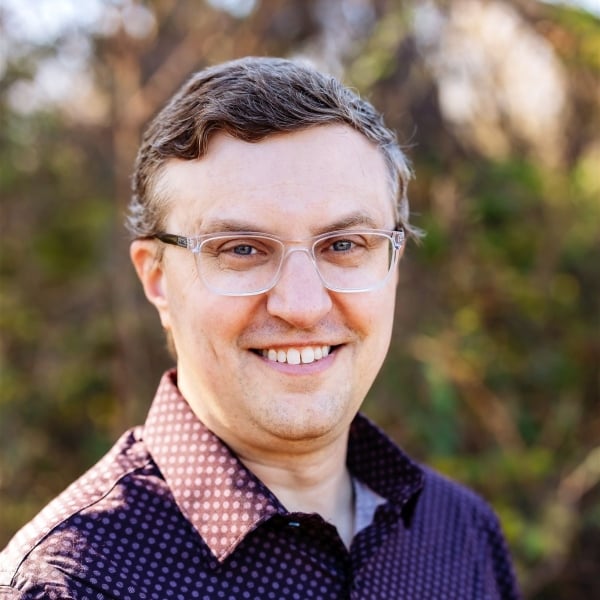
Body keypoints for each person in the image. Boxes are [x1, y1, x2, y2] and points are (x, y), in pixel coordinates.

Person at [0, 56, 520, 599]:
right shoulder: (69, 584)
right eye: (242, 249)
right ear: (156, 279)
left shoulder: (460, 535)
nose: (301, 305)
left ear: (393, 261)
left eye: (344, 245)